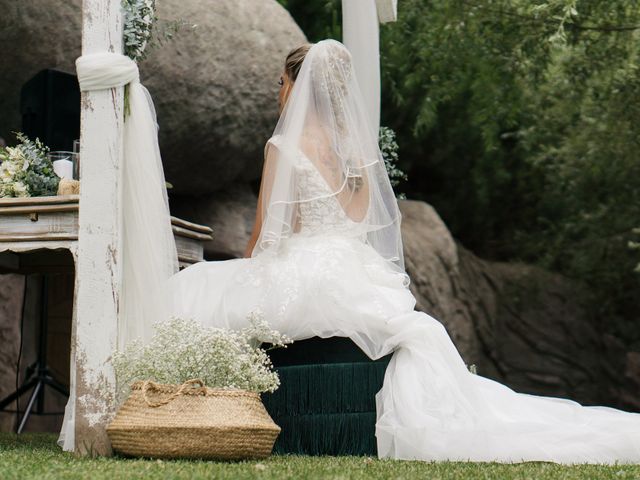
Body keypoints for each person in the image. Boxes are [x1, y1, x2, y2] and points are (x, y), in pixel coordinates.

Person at [166, 39, 640, 463]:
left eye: (281, 81)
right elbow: (359, 219)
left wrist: (249, 269)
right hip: (354, 266)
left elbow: (270, 233)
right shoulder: (352, 151)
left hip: (309, 263)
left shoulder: (282, 146)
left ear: (297, 84)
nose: (278, 92)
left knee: (194, 290)